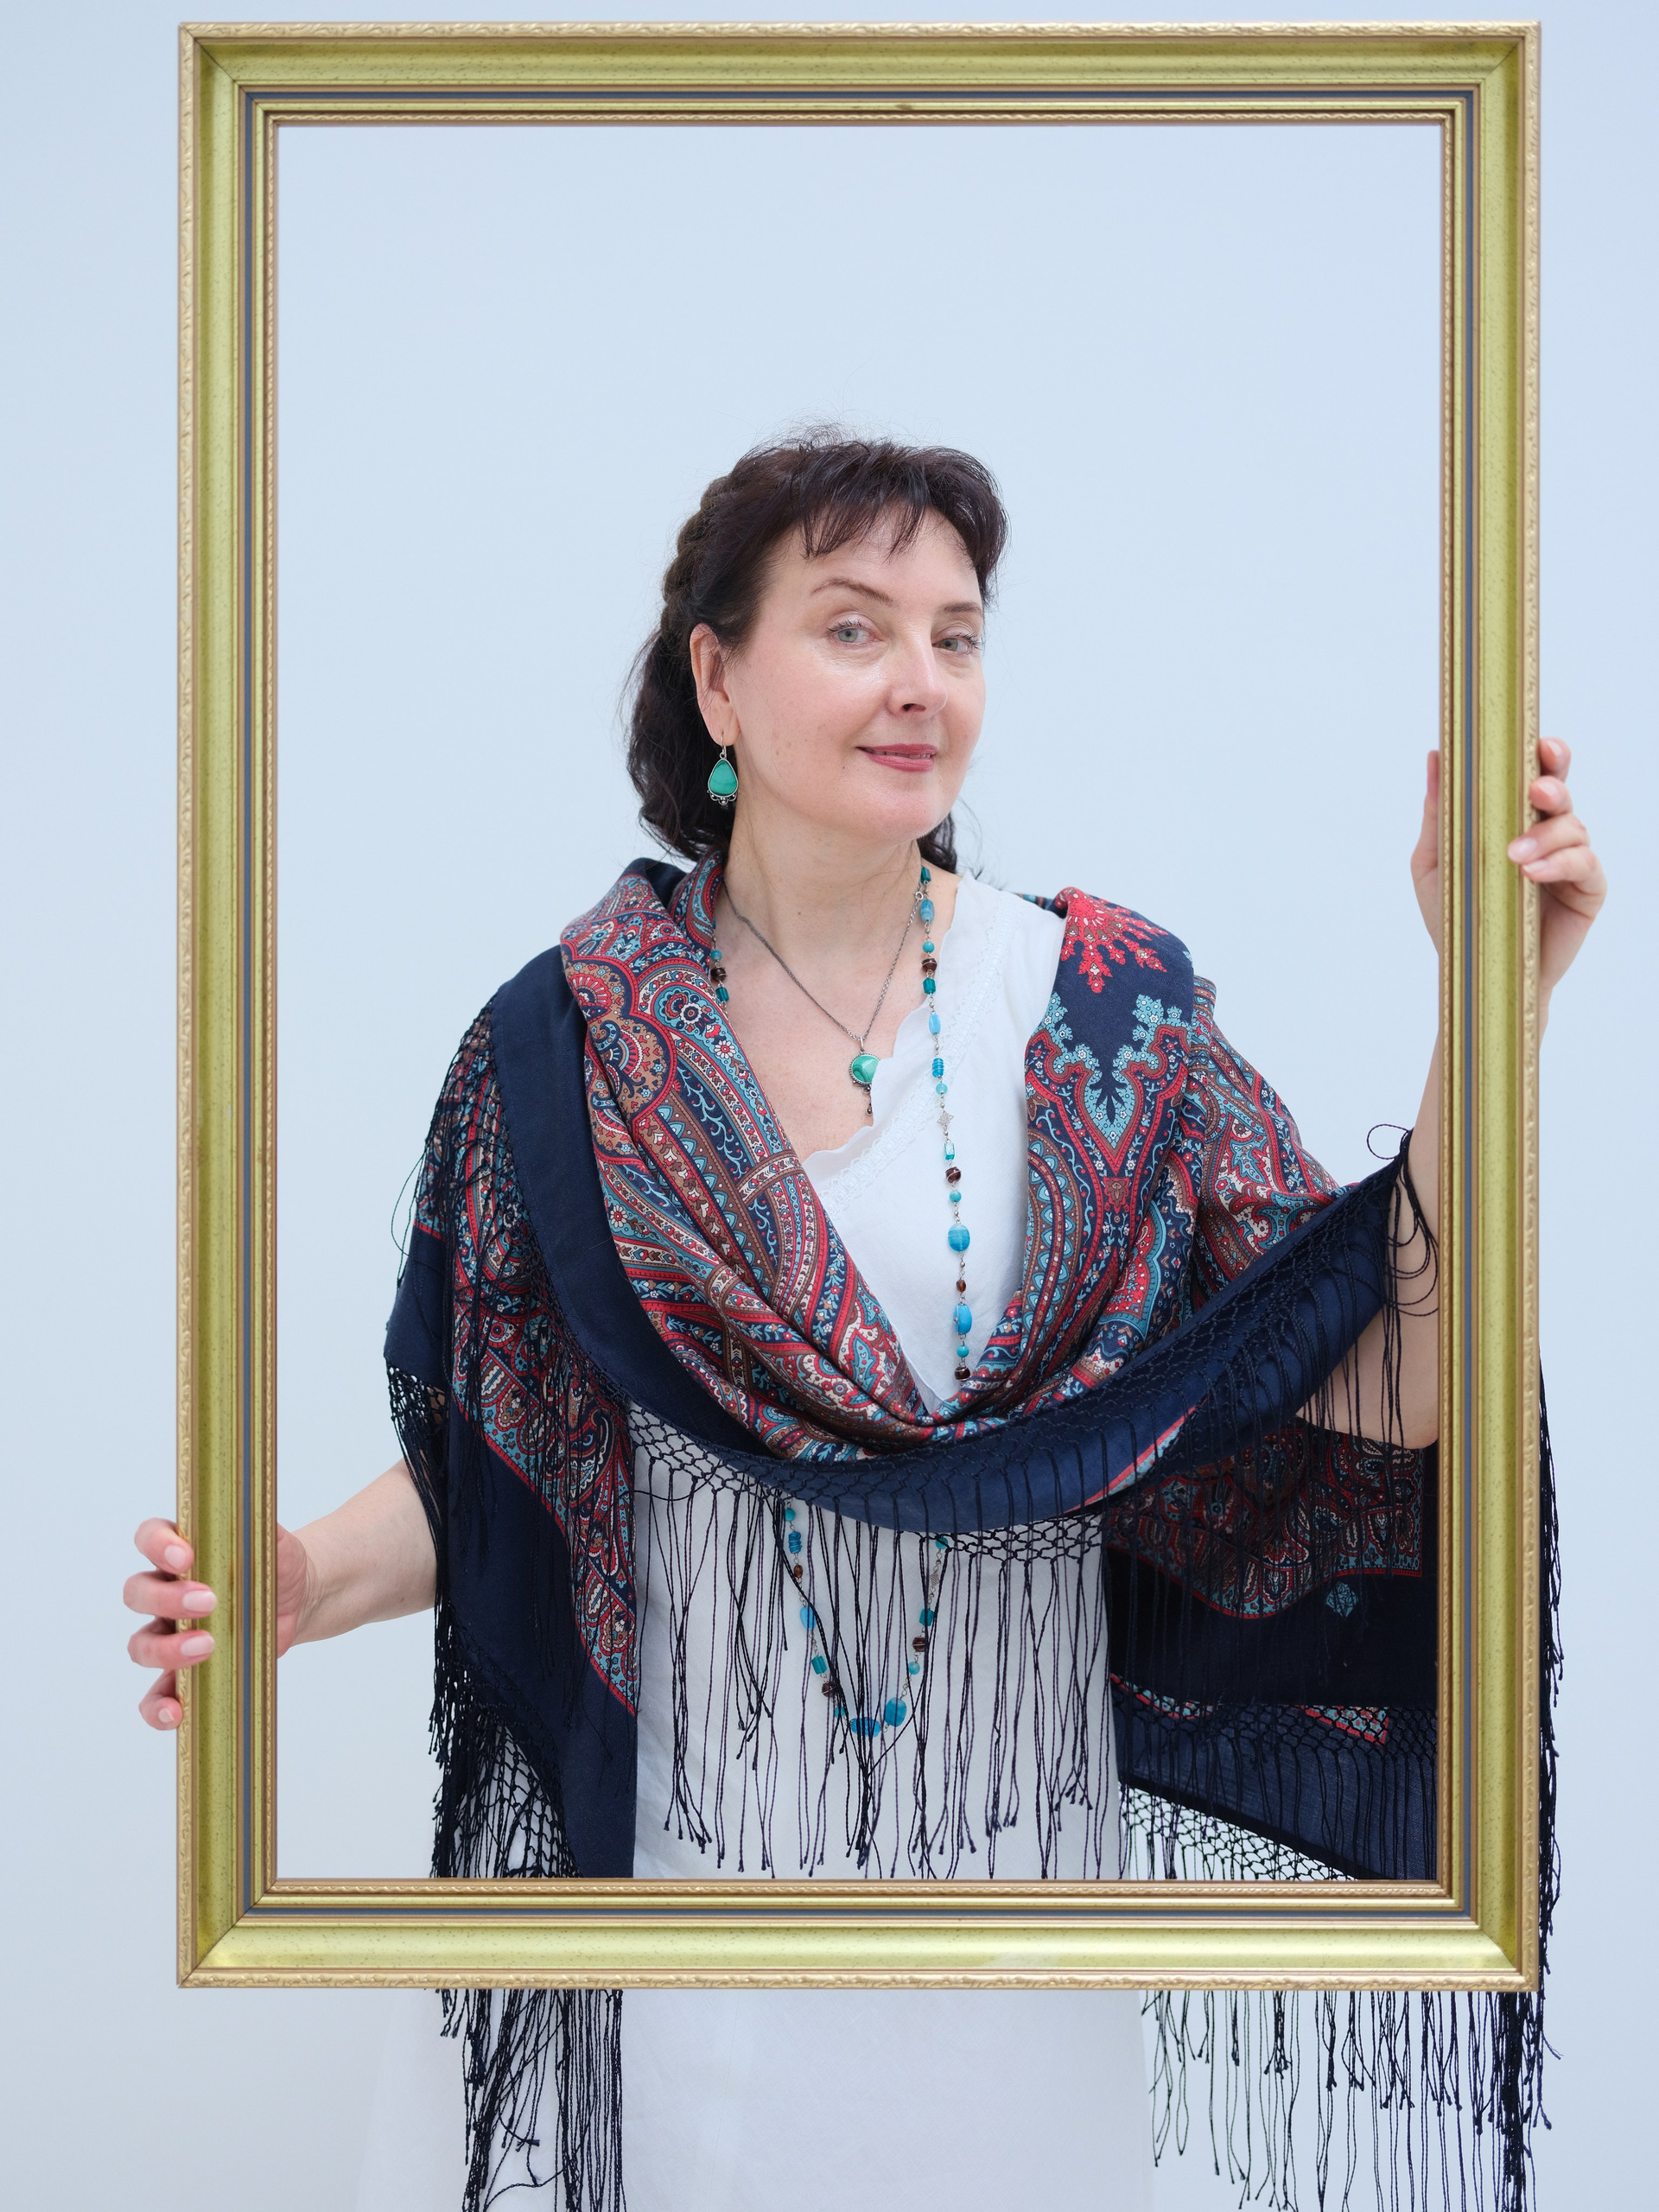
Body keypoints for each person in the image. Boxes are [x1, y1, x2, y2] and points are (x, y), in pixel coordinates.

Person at [125, 435, 1605, 2212]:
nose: (921, 681)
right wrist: (299, 1580)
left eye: (957, 636)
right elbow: (515, 1462)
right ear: (717, 677)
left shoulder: (1105, 1019)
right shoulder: (570, 1050)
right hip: (657, 1912)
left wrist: (1489, 1014)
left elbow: (1391, 1385)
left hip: (1002, 1935)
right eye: (854, 626)